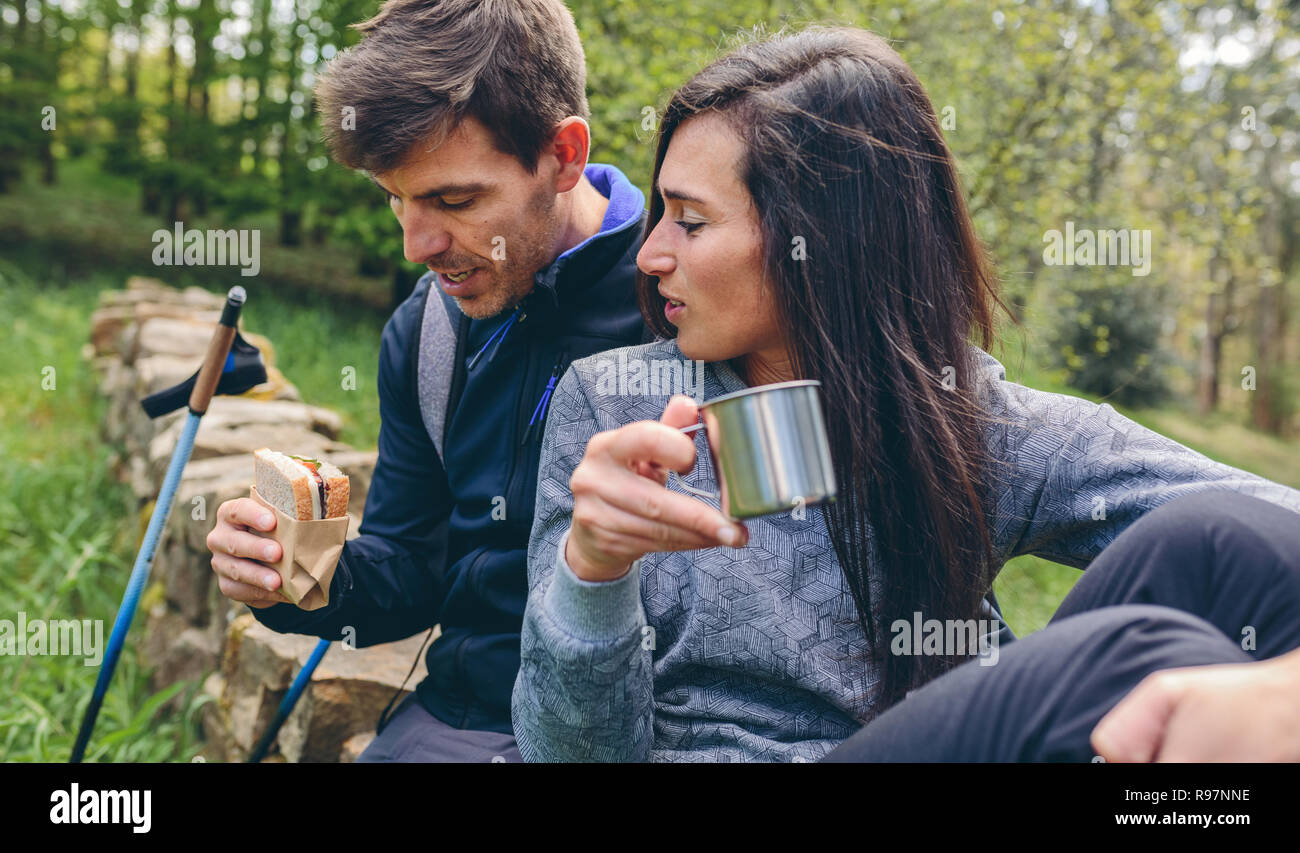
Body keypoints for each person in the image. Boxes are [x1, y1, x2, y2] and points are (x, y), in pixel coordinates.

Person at [510, 25, 1300, 762]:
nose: (649, 253)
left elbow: (1266, 530)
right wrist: (593, 569)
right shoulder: (612, 404)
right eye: (661, 213)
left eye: (689, 220)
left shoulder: (956, 414)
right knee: (1133, 656)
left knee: (1217, 542)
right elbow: (567, 753)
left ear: (817, 242)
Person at [204, 0, 648, 762]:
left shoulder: (681, 304)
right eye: (395, 199)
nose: (417, 245)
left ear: (565, 155)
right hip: (458, 719)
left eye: (452, 200)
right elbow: (412, 568)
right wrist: (296, 576)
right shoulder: (428, 331)